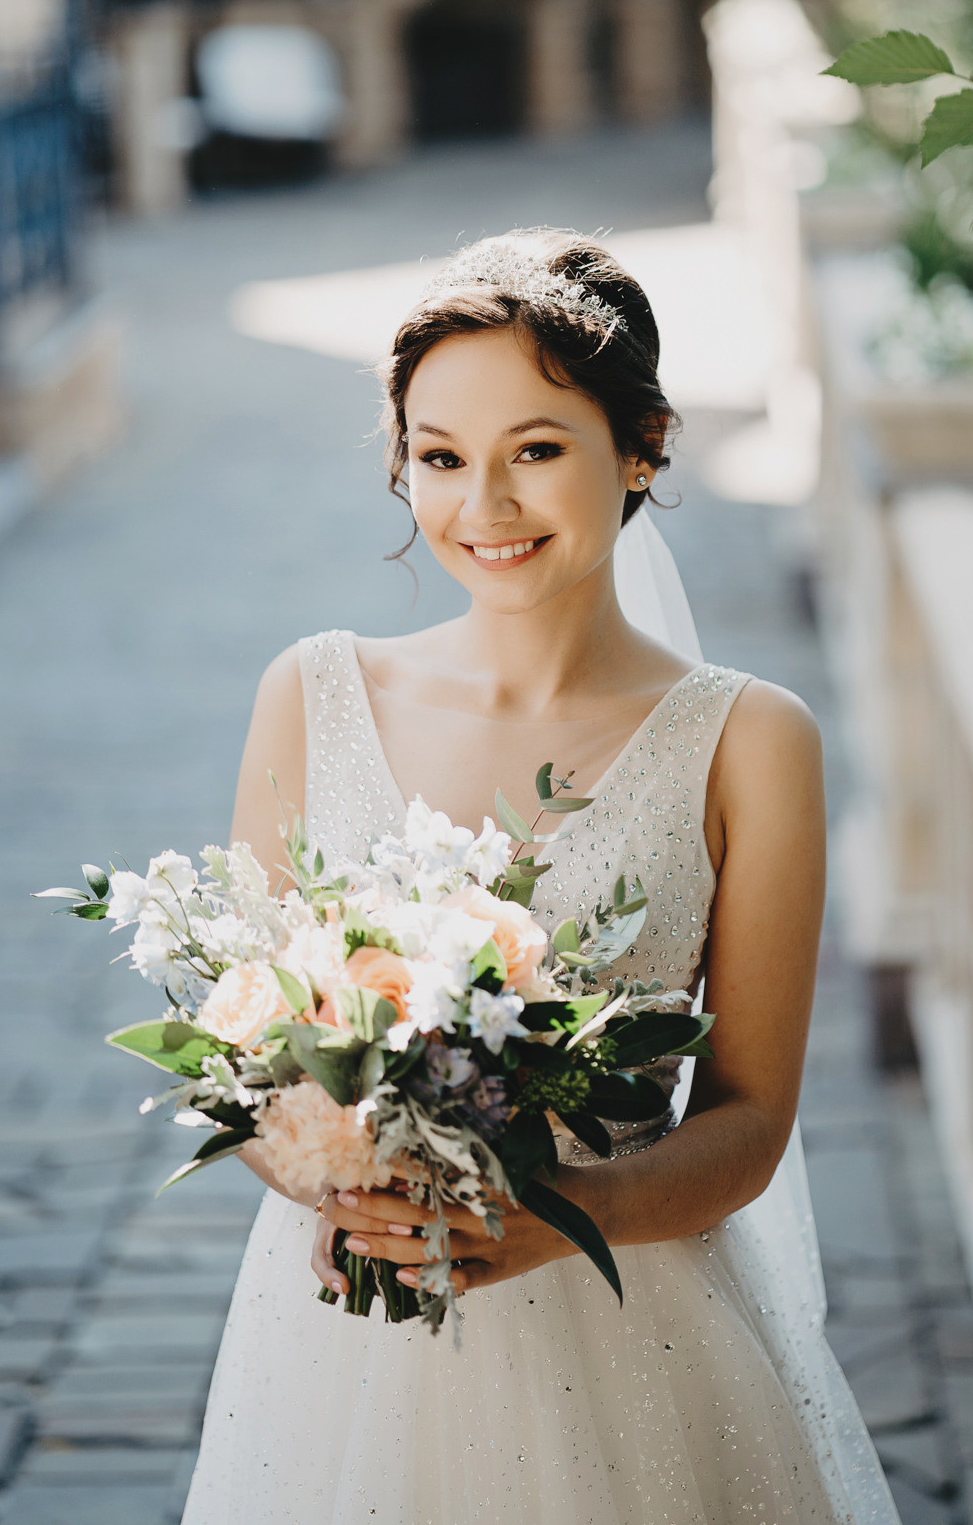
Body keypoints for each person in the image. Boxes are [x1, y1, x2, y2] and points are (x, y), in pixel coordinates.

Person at [181, 231, 898, 1524]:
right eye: (442, 458)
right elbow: (247, 1056)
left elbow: (748, 1118)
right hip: (345, 1329)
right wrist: (339, 1183)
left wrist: (553, 1213)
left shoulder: (752, 741)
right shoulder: (310, 694)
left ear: (643, 446)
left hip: (632, 1311)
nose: (485, 506)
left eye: (538, 450)